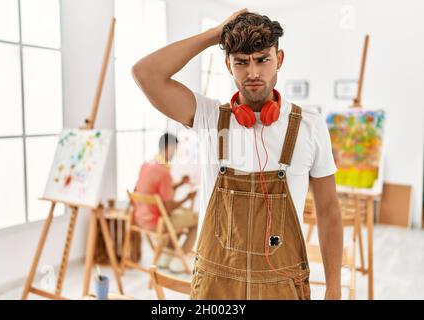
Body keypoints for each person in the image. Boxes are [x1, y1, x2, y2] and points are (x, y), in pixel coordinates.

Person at [131, 9, 343, 299]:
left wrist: (334, 287)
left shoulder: (309, 125)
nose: (253, 73)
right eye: (241, 62)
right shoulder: (207, 116)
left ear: (279, 60)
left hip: (281, 284)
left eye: (262, 60)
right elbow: (145, 73)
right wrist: (214, 35)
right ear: (228, 66)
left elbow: (329, 210)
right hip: (215, 285)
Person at [133, 133, 197, 273]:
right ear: (170, 148)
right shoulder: (164, 172)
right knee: (195, 219)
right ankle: (178, 261)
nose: (176, 153)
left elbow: (156, 193)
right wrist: (188, 198)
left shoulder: (146, 165)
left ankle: (165, 258)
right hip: (156, 223)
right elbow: (168, 207)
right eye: (176, 149)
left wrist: (180, 184)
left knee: (178, 218)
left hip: (140, 218)